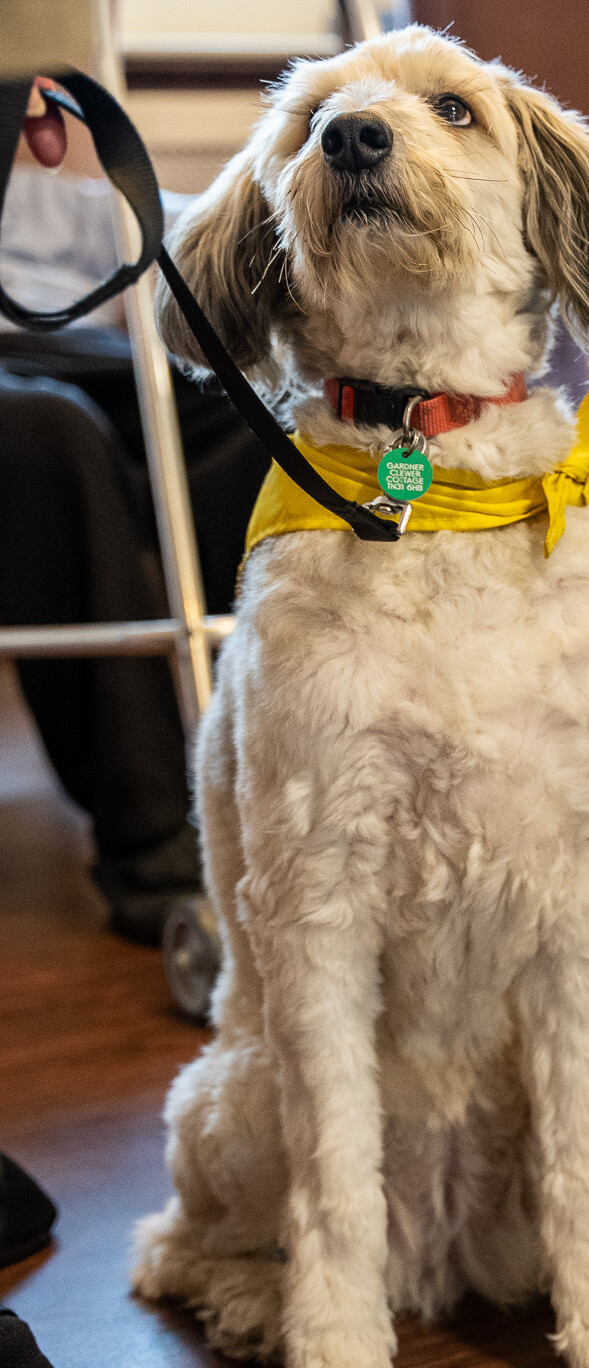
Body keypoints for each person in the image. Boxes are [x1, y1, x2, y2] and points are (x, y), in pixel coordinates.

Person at [1, 80, 268, 944]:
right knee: (48, 436)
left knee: (257, 412)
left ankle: (286, 784)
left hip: (63, 334)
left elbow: (176, 231)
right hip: (28, 392)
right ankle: (157, 847)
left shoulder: (39, 196)